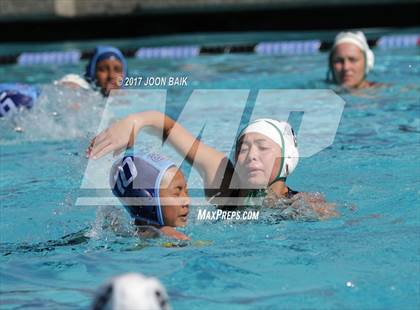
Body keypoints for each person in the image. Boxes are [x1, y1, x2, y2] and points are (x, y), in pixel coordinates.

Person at [87, 111, 337, 219]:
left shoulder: (304, 205)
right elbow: (167, 127)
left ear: (287, 158)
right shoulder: (225, 181)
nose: (250, 155)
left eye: (263, 147)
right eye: (242, 148)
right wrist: (134, 121)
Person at [110, 152, 190, 240]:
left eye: (186, 191)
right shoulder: (177, 239)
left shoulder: (115, 226)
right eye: (176, 194)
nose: (187, 200)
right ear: (146, 200)